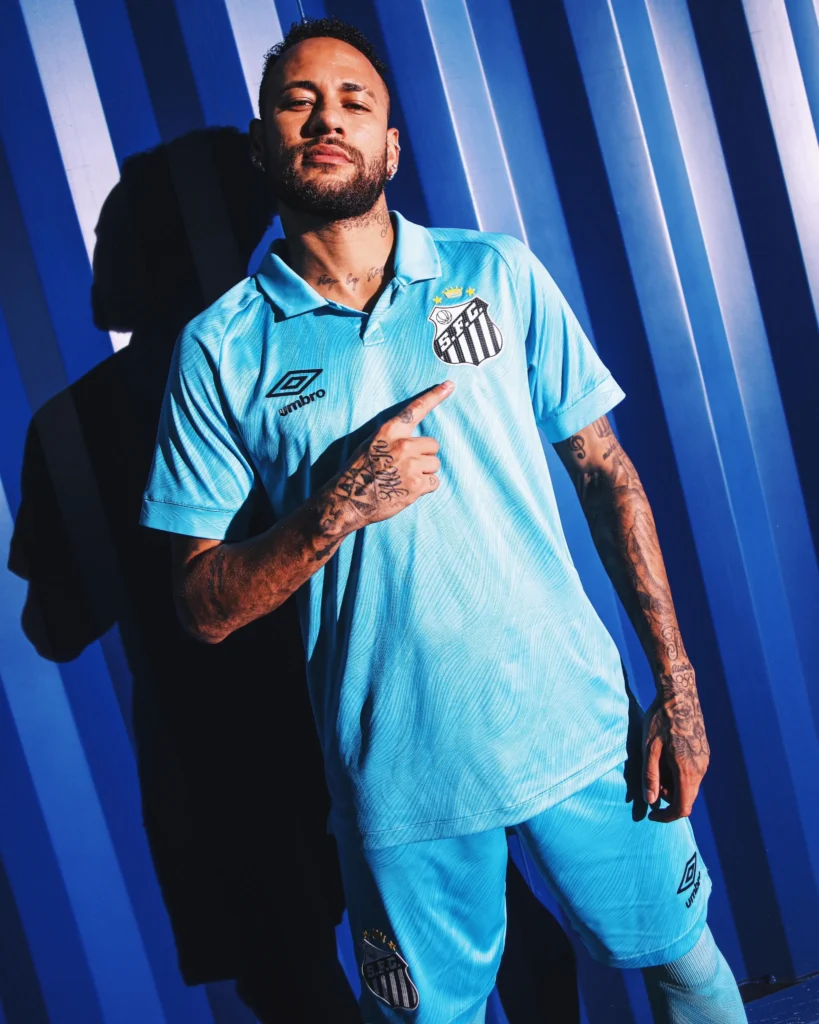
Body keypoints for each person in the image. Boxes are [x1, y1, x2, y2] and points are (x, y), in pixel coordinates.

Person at [139, 17, 748, 1023]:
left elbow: (606, 473)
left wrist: (675, 688)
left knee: (686, 965)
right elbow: (202, 608)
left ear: (390, 146)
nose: (325, 119)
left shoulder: (495, 273)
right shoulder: (220, 348)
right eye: (297, 101)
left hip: (576, 730)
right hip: (396, 783)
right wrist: (335, 508)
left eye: (354, 102)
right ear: (262, 145)